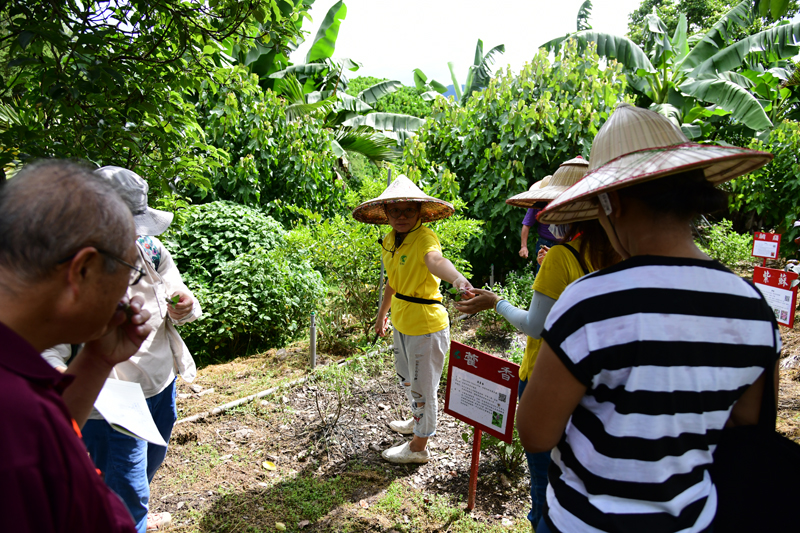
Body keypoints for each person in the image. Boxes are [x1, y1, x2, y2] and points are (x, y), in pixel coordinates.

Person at [520, 103, 777, 533]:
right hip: (694, 521)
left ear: (610, 200)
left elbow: (536, 434)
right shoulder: (751, 307)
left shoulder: (588, 303)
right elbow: (746, 427)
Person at [457, 156, 619, 530]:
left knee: (544, 488)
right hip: (594, 381)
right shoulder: (610, 253)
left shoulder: (563, 256)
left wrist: (494, 302)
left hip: (548, 376)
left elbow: (534, 326)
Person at [41, 166, 202, 533]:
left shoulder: (149, 249)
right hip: (110, 401)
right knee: (125, 494)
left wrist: (185, 305)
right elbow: (48, 348)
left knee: (143, 471)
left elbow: (183, 302)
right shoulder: (70, 268)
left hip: (160, 387)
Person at [0, 159, 153, 532]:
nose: (128, 291)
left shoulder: (21, 397)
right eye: (129, 269)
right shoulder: (16, 422)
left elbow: (53, 436)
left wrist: (98, 360)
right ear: (83, 270)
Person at [352, 175, 473, 464]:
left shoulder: (425, 238)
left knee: (424, 387)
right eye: (395, 211)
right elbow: (392, 282)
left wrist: (458, 279)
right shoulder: (390, 240)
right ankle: (417, 420)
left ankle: (419, 446)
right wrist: (382, 315)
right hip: (402, 320)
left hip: (426, 325)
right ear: (386, 214)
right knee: (408, 380)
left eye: (408, 210)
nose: (401, 216)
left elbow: (435, 261)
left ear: (420, 212)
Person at [517, 176, 556, 274]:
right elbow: (526, 225)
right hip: (545, 242)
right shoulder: (537, 205)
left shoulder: (564, 202)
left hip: (564, 243)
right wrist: (523, 247)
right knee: (543, 274)